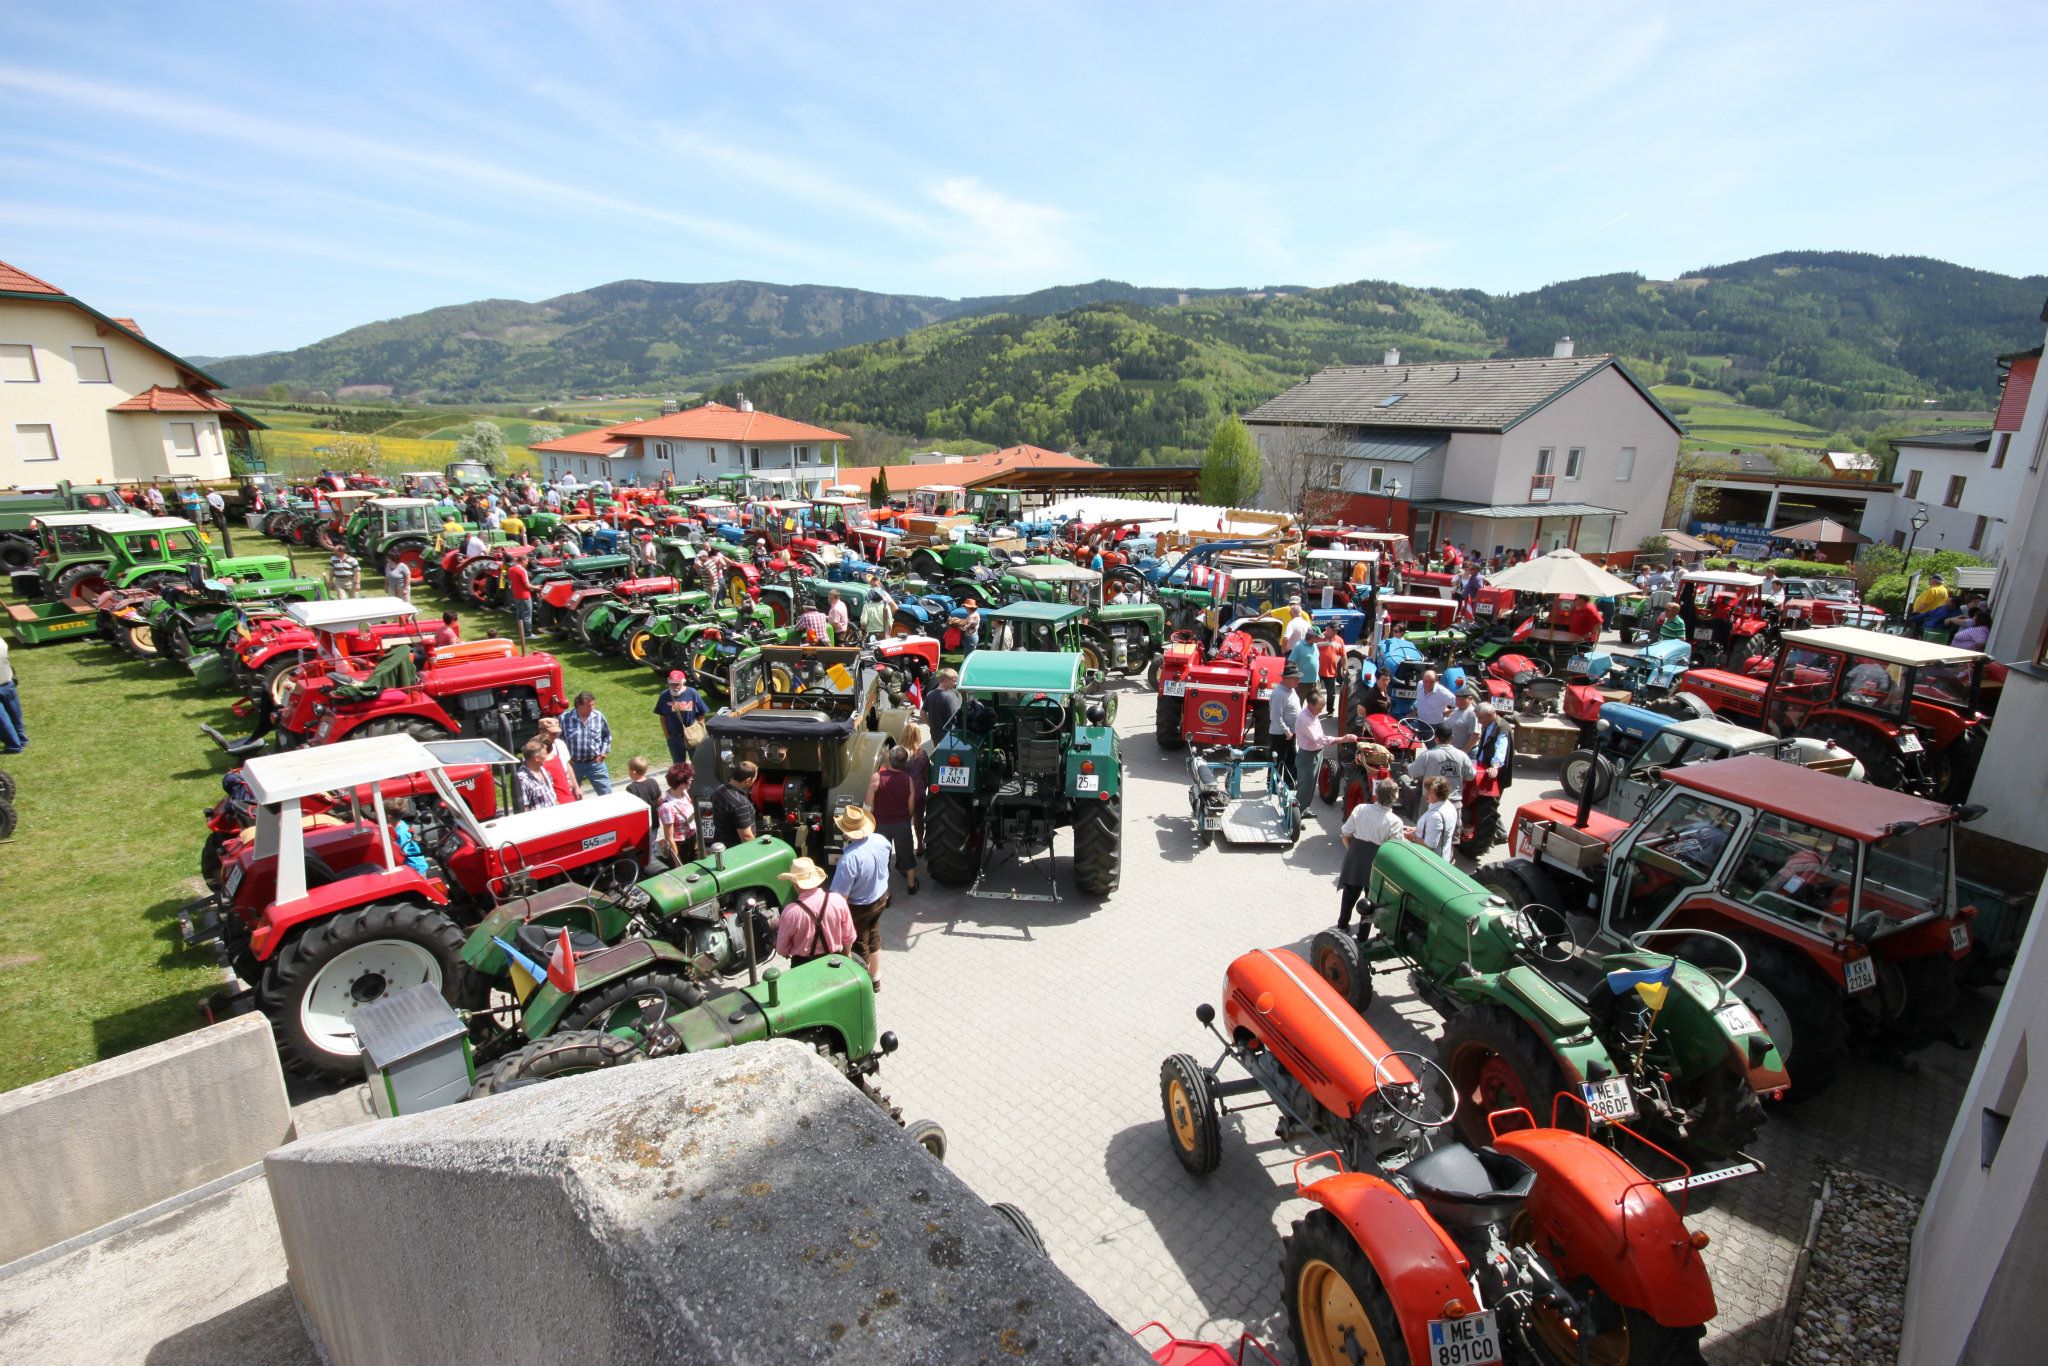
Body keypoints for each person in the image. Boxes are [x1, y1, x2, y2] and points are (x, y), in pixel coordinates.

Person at [830, 805, 893, 989]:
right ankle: (875, 977)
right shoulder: (881, 840)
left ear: (847, 832)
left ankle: (862, 986)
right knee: (873, 936)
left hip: (860, 908)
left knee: (859, 944)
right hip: (880, 898)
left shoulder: (849, 859)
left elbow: (840, 898)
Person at [774, 858, 856, 967]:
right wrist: (846, 954)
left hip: (803, 966)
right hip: (834, 962)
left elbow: (782, 949)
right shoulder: (838, 900)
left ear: (796, 884)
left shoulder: (790, 912)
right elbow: (849, 936)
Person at [866, 746, 921, 895]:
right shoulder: (908, 780)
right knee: (906, 853)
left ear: (890, 759)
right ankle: (911, 885)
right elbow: (911, 806)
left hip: (881, 824)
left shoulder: (877, 778)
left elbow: (868, 804)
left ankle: (886, 893)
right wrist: (905, 819)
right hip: (902, 823)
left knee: (882, 858)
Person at [1292, 688, 1354, 808]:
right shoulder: (1305, 719)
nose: (1321, 711)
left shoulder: (1312, 714)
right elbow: (1320, 739)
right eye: (1319, 708)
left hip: (1315, 753)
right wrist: (1343, 739)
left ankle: (1305, 809)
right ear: (1310, 704)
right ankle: (1297, 813)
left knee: (1310, 785)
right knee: (1305, 787)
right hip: (1308, 757)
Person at [1408, 723, 1476, 822]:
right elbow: (1471, 776)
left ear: (1436, 738)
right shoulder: (1462, 756)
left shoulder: (1427, 755)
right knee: (1453, 835)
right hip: (1453, 802)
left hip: (1431, 802)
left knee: (1424, 832)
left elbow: (1412, 772)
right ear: (1452, 737)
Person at [560, 691, 613, 794]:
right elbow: (559, 741)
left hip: (595, 764)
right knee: (572, 794)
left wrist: (603, 753)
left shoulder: (598, 716)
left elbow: (607, 736)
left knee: (606, 794)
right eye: (589, 706)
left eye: (593, 705)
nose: (592, 709)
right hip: (573, 765)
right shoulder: (565, 719)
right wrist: (565, 759)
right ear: (579, 705)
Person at [653, 670, 710, 766]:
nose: (674, 687)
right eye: (671, 684)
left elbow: (701, 714)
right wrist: (668, 737)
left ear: (683, 682)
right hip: (675, 738)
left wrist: (699, 730)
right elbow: (662, 717)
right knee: (678, 766)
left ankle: (697, 780)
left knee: (698, 763)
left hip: (693, 735)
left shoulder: (692, 693)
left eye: (677, 684)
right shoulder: (664, 696)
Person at [653, 762, 698, 868]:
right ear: (682, 783)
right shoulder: (667, 807)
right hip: (682, 847)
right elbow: (669, 837)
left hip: (693, 840)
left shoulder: (685, 794)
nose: (691, 780)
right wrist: (678, 861)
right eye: (689, 778)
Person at [1408, 775, 1457, 859]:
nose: (1426, 795)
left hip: (1430, 861)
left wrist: (1412, 837)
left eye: (1430, 792)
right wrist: (1417, 829)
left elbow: (1429, 846)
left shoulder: (1435, 816)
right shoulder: (1448, 805)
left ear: (1439, 794)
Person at [710, 761, 759, 846]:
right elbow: (746, 837)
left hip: (721, 845)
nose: (754, 782)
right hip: (735, 851)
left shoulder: (719, 790)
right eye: (754, 780)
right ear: (747, 780)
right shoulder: (740, 803)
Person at [535, 715, 578, 803]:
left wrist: (576, 787)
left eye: (557, 733)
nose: (555, 735)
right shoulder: (533, 749)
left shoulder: (560, 744)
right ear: (542, 731)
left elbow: (568, 766)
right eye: (552, 733)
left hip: (565, 788)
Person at [1266, 670, 1302, 775]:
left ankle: (1290, 784)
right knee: (1277, 761)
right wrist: (1286, 731)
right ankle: (1273, 787)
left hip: (1290, 733)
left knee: (1291, 759)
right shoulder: (1279, 694)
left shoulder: (1291, 689)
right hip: (1281, 735)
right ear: (1287, 679)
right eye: (1296, 678)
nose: (1298, 680)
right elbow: (1275, 716)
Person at [515, 740, 558, 810]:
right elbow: (523, 808)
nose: (547, 756)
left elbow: (553, 797)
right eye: (545, 754)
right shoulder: (522, 779)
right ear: (537, 758)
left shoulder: (543, 770)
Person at [0, 635, 24, 753]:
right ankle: (22, 739)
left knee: (1, 719)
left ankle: (13, 745)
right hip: (7, 680)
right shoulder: (1, 641)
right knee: (14, 712)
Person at [1315, 627, 1345, 717]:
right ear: (1328, 629)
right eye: (1333, 630)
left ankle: (1330, 711)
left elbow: (1343, 656)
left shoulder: (1339, 640)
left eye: (1336, 631)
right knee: (1315, 693)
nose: (1335, 632)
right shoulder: (1319, 638)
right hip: (1318, 672)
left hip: (1331, 672)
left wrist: (1344, 668)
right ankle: (1314, 711)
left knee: (1331, 694)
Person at [923, 669, 961, 741]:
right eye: (953, 681)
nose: (955, 683)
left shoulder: (930, 694)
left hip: (934, 736)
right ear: (945, 680)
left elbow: (922, 713)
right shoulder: (949, 697)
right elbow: (953, 719)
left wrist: (931, 725)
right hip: (948, 737)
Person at [505, 555, 534, 637]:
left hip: (516, 595)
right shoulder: (522, 570)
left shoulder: (511, 569)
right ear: (523, 561)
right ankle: (528, 634)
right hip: (525, 595)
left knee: (519, 614)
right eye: (527, 561)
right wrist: (535, 587)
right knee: (527, 615)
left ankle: (521, 631)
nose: (527, 563)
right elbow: (526, 585)